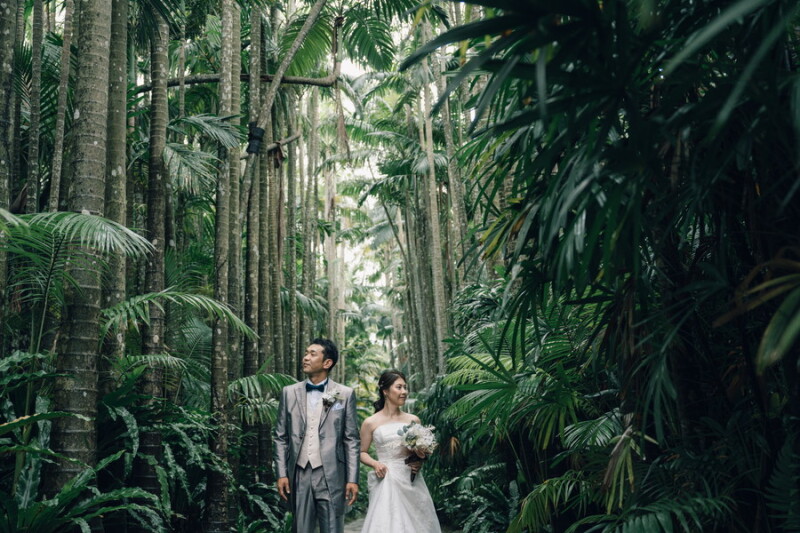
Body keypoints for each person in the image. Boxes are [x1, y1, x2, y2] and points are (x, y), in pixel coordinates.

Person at [274, 339, 360, 533]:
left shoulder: (345, 394)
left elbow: (351, 439)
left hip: (331, 473)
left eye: (312, 354)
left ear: (327, 363)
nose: (305, 358)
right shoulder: (288, 393)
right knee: (301, 528)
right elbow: (280, 437)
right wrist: (281, 473)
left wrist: (352, 479)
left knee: (332, 528)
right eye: (306, 353)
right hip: (299, 471)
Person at [359, 370, 442, 533]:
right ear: (385, 391)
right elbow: (362, 452)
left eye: (405, 387)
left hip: (412, 481)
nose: (404, 392)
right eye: (399, 387)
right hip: (388, 480)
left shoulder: (413, 420)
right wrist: (376, 464)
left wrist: (419, 461)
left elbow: (419, 450)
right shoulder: (370, 422)